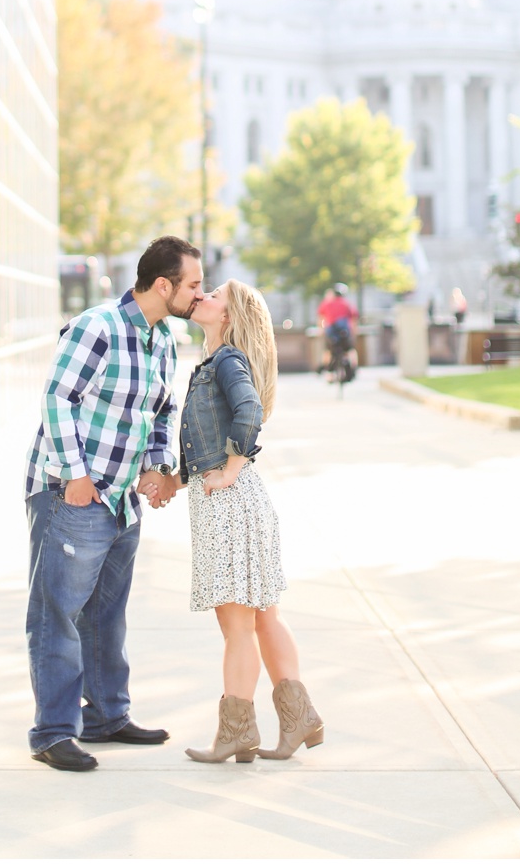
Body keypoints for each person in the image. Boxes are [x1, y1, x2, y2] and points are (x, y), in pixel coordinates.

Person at [22, 235, 200, 772]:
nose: (200, 293)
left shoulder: (164, 339)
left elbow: (162, 410)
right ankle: (53, 732)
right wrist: (75, 475)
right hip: (71, 493)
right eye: (193, 284)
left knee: (107, 614)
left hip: (121, 499)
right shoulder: (97, 326)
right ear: (162, 285)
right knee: (58, 613)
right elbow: (58, 397)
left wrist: (155, 463)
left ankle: (106, 715)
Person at [178, 281, 324, 763]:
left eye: (213, 293)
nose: (202, 295)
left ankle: (238, 731)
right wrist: (176, 481)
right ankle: (299, 717)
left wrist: (230, 470)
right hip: (237, 499)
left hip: (231, 502)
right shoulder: (217, 362)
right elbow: (208, 442)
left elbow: (249, 412)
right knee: (262, 616)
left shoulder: (226, 361)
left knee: (238, 622)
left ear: (229, 316)